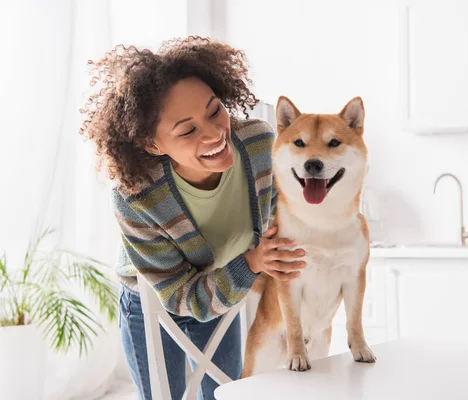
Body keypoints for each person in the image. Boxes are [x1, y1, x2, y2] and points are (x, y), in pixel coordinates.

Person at [79, 36, 306, 400]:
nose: (216, 133)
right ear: (152, 145)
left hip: (223, 280)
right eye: (187, 130)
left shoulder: (260, 146)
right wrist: (252, 263)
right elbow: (182, 296)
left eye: (215, 111)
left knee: (226, 393)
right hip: (151, 298)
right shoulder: (136, 197)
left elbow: (284, 222)